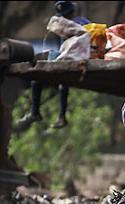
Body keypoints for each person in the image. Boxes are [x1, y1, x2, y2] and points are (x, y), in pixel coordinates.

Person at [17, 1, 90, 130]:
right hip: (66, 59)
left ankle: (60, 116)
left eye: (66, 15)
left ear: (72, 13)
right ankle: (35, 112)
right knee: (37, 77)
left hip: (79, 58)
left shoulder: (81, 23)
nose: (64, 18)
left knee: (61, 81)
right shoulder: (63, 27)